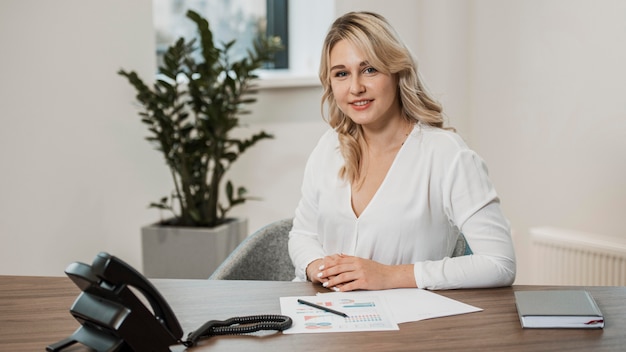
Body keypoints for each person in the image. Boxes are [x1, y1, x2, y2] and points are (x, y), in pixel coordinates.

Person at [288, 11, 516, 291]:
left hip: (408, 327)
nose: (356, 87)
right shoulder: (328, 146)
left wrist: (389, 276)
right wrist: (319, 267)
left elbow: (499, 263)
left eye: (370, 69)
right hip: (328, 320)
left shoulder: (446, 155)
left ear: (396, 71)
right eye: (342, 74)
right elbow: (302, 234)